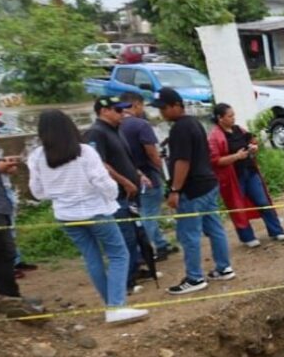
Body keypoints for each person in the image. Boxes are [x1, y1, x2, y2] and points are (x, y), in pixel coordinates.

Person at [27, 110, 147, 325]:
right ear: (69, 127)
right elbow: (102, 181)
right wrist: (111, 196)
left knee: (92, 257)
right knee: (119, 254)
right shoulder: (84, 152)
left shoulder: (37, 156)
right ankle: (116, 306)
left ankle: (111, 305)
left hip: (65, 215)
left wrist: (59, 194)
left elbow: (37, 192)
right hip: (96, 211)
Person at [152, 87, 235, 295]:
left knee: (188, 234)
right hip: (208, 184)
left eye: (164, 108)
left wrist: (174, 190)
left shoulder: (180, 128)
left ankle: (194, 277)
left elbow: (182, 161)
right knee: (215, 228)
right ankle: (224, 268)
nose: (161, 113)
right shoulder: (194, 123)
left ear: (176, 106)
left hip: (192, 189)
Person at [84, 95, 148, 293]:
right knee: (124, 236)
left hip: (130, 191)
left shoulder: (116, 130)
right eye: (118, 110)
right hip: (116, 194)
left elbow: (124, 158)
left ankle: (134, 269)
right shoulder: (96, 133)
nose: (123, 114)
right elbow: (100, 164)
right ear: (104, 111)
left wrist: (138, 174)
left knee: (135, 232)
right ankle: (126, 280)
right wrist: (124, 181)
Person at [208, 103, 284, 247]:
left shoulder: (238, 129)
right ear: (220, 118)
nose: (233, 118)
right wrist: (236, 156)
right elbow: (215, 160)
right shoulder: (214, 137)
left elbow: (252, 139)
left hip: (250, 171)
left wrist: (253, 147)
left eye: (233, 115)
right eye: (230, 116)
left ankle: (276, 230)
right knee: (238, 207)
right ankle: (247, 237)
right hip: (233, 178)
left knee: (263, 201)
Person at [0, 112, 42, 318]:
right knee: (3, 254)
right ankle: (11, 299)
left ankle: (8, 297)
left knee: (0, 254)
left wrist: (2, 167)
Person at [119, 91, 176, 261]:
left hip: (128, 177)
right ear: (136, 104)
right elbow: (152, 154)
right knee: (149, 214)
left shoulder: (116, 125)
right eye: (142, 105)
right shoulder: (141, 125)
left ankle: (159, 244)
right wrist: (164, 174)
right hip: (148, 176)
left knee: (141, 212)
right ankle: (157, 248)